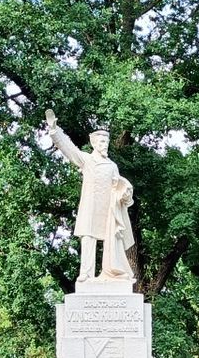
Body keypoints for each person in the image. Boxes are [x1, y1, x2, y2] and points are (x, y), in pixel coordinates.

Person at [41, 110, 135, 283]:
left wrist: (125, 193)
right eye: (101, 142)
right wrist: (55, 130)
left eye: (106, 142)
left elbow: (119, 186)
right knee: (88, 237)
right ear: (94, 143)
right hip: (91, 206)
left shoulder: (112, 165)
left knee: (111, 242)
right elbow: (69, 149)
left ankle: (112, 272)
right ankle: (86, 274)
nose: (104, 145)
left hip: (109, 209)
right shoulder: (86, 160)